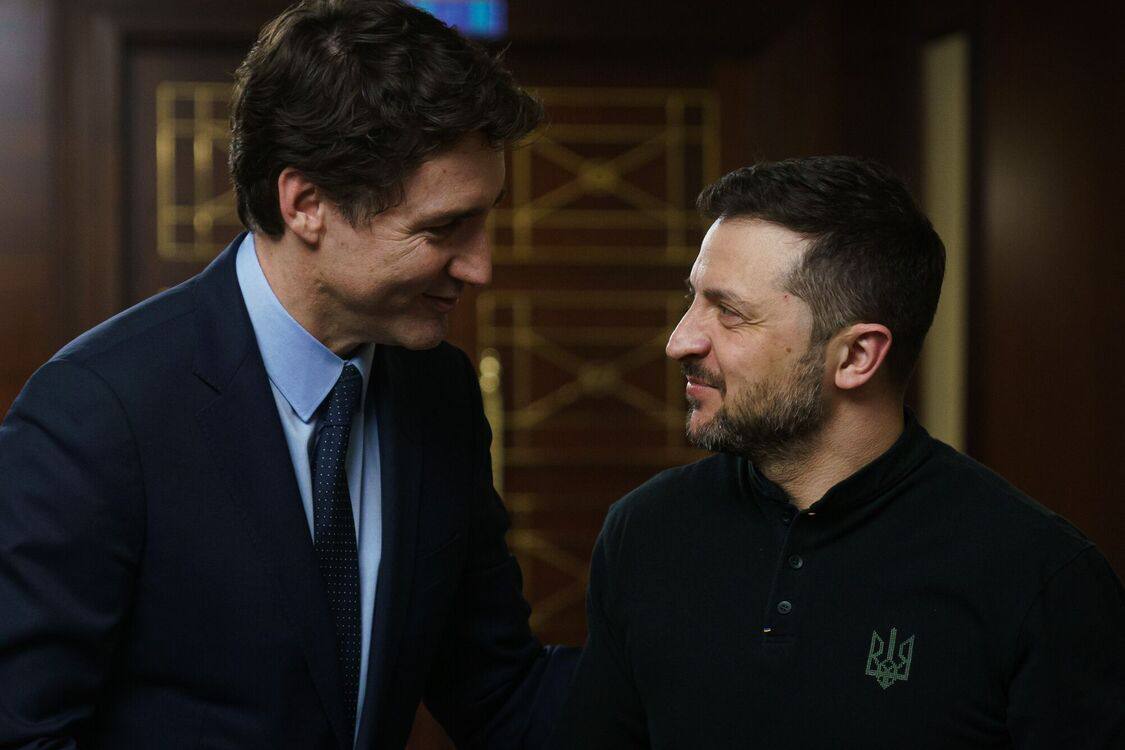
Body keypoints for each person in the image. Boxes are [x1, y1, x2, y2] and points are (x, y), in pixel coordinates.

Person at [0, 1, 576, 748]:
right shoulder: (96, 413)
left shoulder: (439, 391)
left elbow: (498, 692)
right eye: (443, 228)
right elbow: (24, 730)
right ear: (306, 204)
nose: (481, 267)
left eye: (485, 218)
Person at [550, 156, 1125, 749]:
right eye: (693, 299)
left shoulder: (1040, 578)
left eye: (730, 313)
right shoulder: (645, 531)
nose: (680, 340)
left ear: (856, 357)